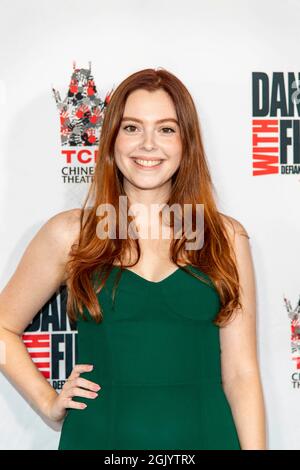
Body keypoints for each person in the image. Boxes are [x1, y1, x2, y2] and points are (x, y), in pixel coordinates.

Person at [0, 68, 266, 450]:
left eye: (166, 129)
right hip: (97, 439)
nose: (148, 144)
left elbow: (242, 374)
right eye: (132, 128)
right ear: (111, 139)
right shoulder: (71, 234)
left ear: (187, 142)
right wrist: (46, 401)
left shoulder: (225, 237)